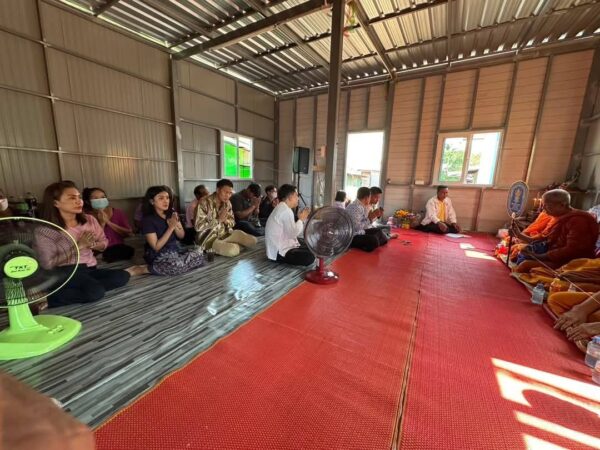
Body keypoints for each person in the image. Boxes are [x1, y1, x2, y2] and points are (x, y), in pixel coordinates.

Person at [35, 181, 145, 308]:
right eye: (72, 198)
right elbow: (48, 264)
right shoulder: (45, 230)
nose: (79, 201)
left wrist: (93, 245)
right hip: (64, 272)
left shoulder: (89, 220)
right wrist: (79, 246)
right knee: (95, 292)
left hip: (89, 268)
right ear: (55, 203)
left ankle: (72, 289)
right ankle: (48, 299)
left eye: (79, 197)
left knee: (122, 276)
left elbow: (104, 242)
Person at [515, 189, 598, 270]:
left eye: (547, 205)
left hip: (572, 261)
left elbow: (572, 251)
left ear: (562, 205)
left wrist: (539, 256)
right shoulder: (557, 217)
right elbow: (544, 238)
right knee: (521, 252)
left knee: (525, 265)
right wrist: (519, 235)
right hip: (553, 254)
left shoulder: (579, 221)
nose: (543, 208)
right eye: (543, 205)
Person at [141, 186, 204, 276]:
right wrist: (171, 228)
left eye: (167, 198)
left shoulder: (171, 213)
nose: (166, 201)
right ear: (152, 201)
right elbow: (156, 247)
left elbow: (181, 236)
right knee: (176, 266)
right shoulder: (148, 220)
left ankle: (176, 265)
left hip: (175, 249)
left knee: (199, 252)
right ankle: (145, 269)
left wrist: (176, 225)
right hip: (158, 254)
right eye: (161, 198)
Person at [195, 179, 257, 257]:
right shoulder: (204, 202)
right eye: (225, 192)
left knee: (253, 241)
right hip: (209, 238)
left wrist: (225, 221)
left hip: (225, 233)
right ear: (218, 190)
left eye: (230, 193)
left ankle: (229, 245)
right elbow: (198, 226)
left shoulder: (227, 203)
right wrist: (218, 220)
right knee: (233, 250)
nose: (227, 195)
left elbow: (232, 222)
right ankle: (228, 246)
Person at [265, 184, 314, 266]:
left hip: (278, 247)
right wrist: (301, 219)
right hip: (278, 252)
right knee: (310, 257)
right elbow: (292, 234)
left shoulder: (283, 207)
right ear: (290, 197)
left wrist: (300, 219)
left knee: (310, 245)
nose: (298, 198)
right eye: (296, 195)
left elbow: (291, 231)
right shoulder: (285, 210)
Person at [82, 187, 135, 262]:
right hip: (98, 249)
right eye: (95, 198)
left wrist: (108, 222)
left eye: (103, 197)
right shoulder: (86, 217)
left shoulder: (117, 212)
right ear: (88, 202)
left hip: (117, 247)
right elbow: (92, 240)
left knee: (128, 251)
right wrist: (102, 224)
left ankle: (105, 256)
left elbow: (129, 233)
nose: (100, 200)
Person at [346, 187, 388, 252]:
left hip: (361, 231)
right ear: (366, 198)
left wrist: (374, 217)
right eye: (370, 197)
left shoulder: (361, 206)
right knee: (373, 240)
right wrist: (371, 218)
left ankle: (374, 241)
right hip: (352, 236)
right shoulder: (355, 207)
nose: (370, 199)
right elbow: (357, 228)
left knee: (379, 233)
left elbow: (365, 223)